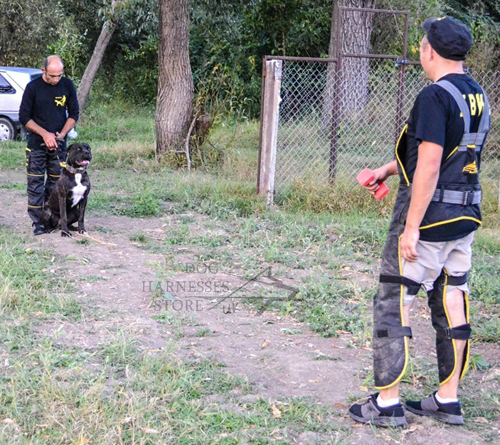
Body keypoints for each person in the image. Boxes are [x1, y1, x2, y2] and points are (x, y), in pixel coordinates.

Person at [348, 17, 490, 427]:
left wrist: (411, 227)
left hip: (427, 218)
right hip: (463, 217)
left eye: (423, 44)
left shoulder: (432, 96)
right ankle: (448, 399)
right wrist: (388, 170)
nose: (421, 50)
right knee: (452, 298)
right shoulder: (476, 94)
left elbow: (428, 166)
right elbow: (447, 152)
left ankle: (387, 403)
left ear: (431, 51)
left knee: (395, 299)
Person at [19, 55, 80, 235]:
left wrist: (60, 134)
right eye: (52, 75)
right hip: (36, 145)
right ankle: (37, 222)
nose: (56, 79)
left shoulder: (67, 85)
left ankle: (52, 220)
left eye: (59, 75)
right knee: (35, 184)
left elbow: (74, 114)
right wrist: (45, 134)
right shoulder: (33, 88)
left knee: (56, 185)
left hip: (58, 146)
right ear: (43, 70)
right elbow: (24, 117)